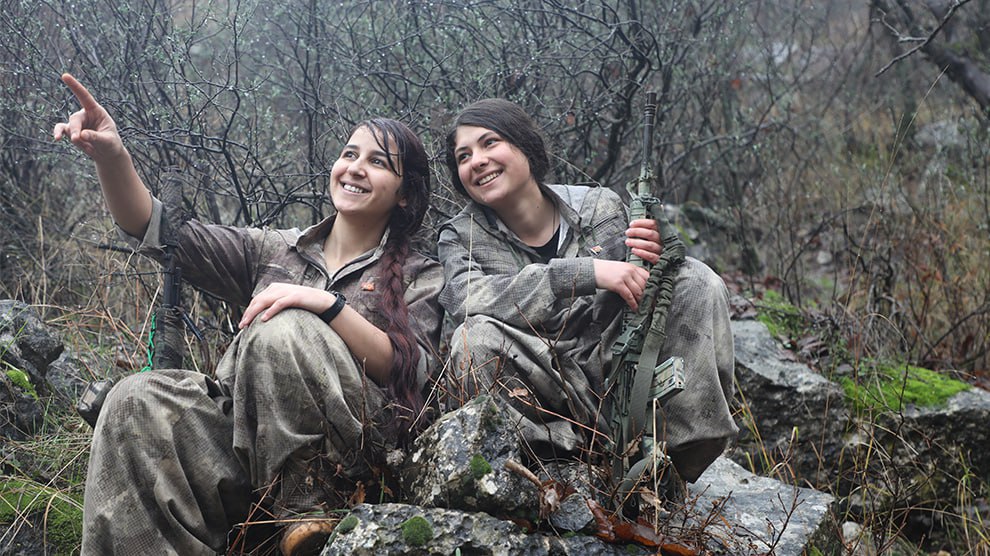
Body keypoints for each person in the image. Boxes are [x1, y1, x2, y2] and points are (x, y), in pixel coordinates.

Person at [53, 73, 443, 555]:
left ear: (405, 194)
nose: (355, 168)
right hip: (246, 448)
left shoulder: (421, 274)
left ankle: (308, 511)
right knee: (133, 399)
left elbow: (410, 368)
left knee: (283, 323)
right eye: (349, 154)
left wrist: (327, 305)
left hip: (353, 458)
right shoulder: (274, 250)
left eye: (378, 162)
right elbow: (156, 230)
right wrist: (112, 157)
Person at [437, 98, 737, 496]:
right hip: (545, 384)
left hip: (618, 372)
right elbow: (466, 296)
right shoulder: (461, 236)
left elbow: (650, 285)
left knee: (697, 280)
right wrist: (583, 274)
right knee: (472, 339)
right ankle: (557, 469)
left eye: (490, 142)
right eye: (463, 156)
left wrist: (660, 250)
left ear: (524, 145)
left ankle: (673, 462)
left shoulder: (599, 206)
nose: (477, 161)